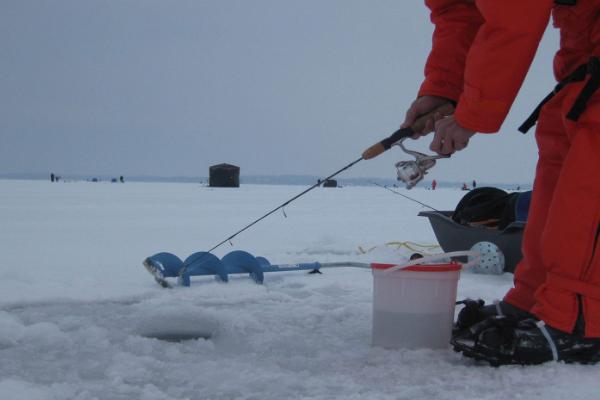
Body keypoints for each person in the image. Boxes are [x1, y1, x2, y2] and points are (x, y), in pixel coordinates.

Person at [402, 0, 600, 365]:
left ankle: (582, 320)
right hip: (585, 49)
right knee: (564, 139)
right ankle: (541, 300)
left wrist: (472, 113)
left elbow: (515, 17)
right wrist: (444, 89)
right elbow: (460, 9)